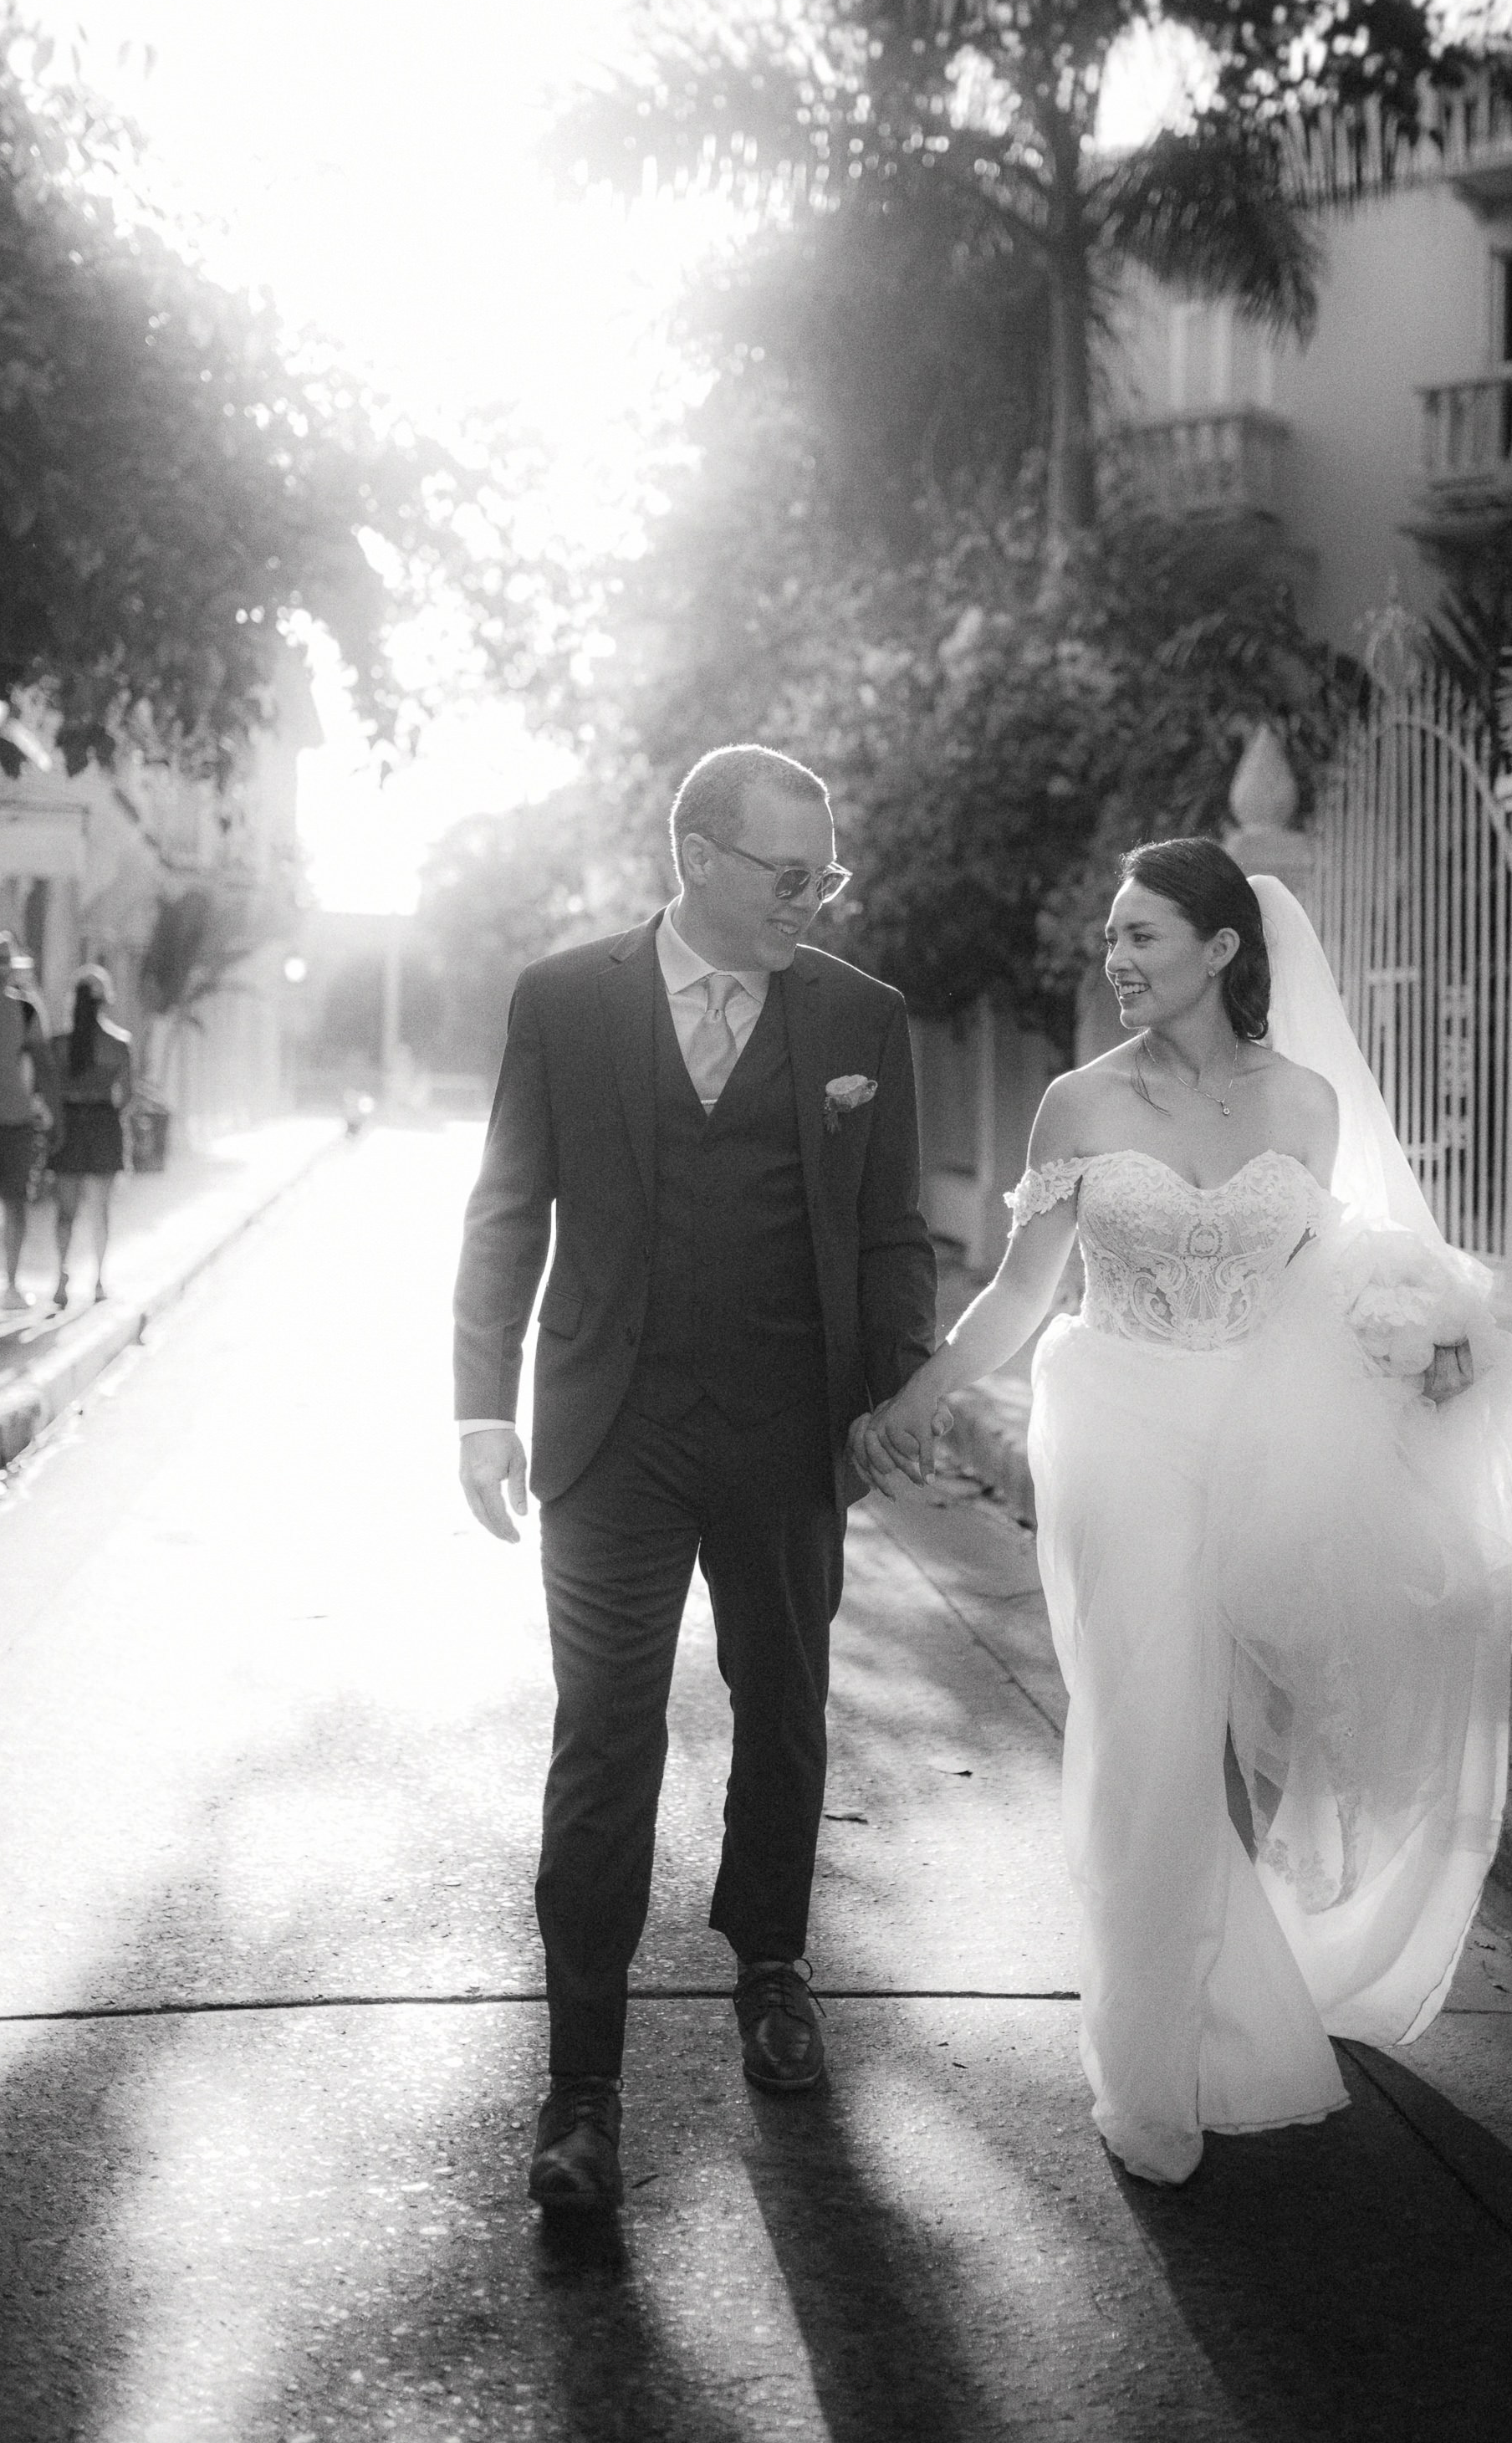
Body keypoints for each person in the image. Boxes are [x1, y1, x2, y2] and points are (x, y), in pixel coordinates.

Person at [860, 838, 1512, 2188]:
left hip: (1258, 1429)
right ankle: (1155, 2054)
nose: (1114, 960)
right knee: (1153, 1723)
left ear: (1221, 948)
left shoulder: (1302, 1103)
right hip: (1115, 1426)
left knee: (1252, 1725)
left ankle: (1240, 1976)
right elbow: (1023, 1287)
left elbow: (1318, 1278)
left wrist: (1416, 1345)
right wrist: (925, 1392)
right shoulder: (1075, 1102)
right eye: (1111, 938)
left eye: (1142, 936)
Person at [454, 744, 936, 2216]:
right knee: (604, 1738)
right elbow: (507, 1206)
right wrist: (479, 1409)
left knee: (782, 1709)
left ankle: (770, 1963)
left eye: (824, 879)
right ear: (700, 860)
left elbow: (890, 1233)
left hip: (788, 1430)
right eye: (788, 876)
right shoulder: (564, 999)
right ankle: (581, 2087)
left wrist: (898, 1384)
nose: (811, 901)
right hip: (611, 1431)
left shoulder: (858, 1014)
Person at [48, 964, 133, 1309]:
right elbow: (126, 1097)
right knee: (100, 1210)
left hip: (68, 1124)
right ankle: (98, 1280)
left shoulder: (59, 1046)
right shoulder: (118, 1044)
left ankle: (61, 1277)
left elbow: (50, 1092)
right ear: (105, 1001)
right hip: (103, 1124)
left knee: (65, 1211)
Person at [0, 930, 59, 1312]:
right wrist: (56, 1116)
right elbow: (44, 1067)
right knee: (14, 1205)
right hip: (14, 1120)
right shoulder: (25, 1010)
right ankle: (11, 1287)